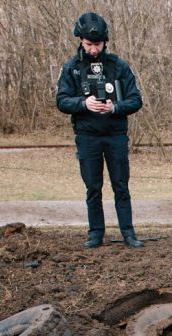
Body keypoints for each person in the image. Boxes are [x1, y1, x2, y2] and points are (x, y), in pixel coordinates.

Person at [56, 12, 144, 248]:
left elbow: (136, 100)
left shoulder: (119, 66)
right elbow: (62, 101)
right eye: (88, 44)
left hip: (115, 135)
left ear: (105, 42)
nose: (93, 49)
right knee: (93, 187)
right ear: (80, 42)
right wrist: (83, 104)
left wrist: (115, 107)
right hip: (87, 137)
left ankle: (128, 232)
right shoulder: (72, 68)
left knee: (121, 186)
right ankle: (95, 233)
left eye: (97, 44)